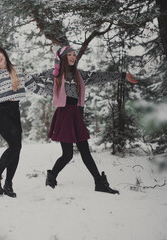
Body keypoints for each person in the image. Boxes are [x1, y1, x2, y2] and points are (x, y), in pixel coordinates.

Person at [43, 46, 136, 194]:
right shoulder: (54, 74)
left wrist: (123, 75)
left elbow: (100, 76)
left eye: (74, 55)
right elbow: (32, 78)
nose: (73, 57)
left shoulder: (81, 75)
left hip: (76, 114)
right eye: (69, 55)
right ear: (63, 58)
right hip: (64, 114)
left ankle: (99, 183)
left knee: (85, 151)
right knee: (67, 155)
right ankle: (52, 176)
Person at [0, 40, 50, 198]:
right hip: (1, 112)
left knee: (17, 148)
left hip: (14, 111)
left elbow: (34, 87)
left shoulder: (19, 69)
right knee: (15, 146)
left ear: (4, 53)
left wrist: (52, 95)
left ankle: (8, 184)